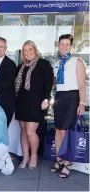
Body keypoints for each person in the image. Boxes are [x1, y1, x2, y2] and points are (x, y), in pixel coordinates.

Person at [51, 34, 86, 178]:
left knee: (66, 131)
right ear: (58, 46)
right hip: (59, 97)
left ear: (71, 46)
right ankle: (59, 159)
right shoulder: (57, 63)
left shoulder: (77, 61)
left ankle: (68, 162)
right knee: (58, 131)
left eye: (67, 44)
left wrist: (81, 103)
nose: (64, 47)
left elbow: (82, 85)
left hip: (72, 97)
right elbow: (53, 84)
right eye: (61, 44)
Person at [15, 40, 54, 169]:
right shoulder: (20, 66)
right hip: (22, 102)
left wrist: (46, 99)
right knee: (23, 131)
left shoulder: (43, 64)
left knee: (31, 132)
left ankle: (34, 156)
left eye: (30, 49)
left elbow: (48, 84)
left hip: (36, 103)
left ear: (35, 49)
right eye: (25, 50)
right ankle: (25, 156)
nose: (27, 52)